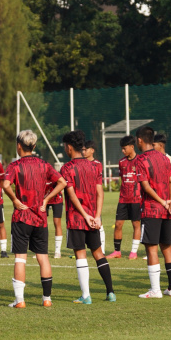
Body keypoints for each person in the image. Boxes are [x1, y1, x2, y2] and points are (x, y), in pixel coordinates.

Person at [2, 130, 67, 307]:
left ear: (18, 146)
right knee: (43, 257)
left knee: (20, 258)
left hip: (22, 217)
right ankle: (47, 299)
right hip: (40, 217)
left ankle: (20, 300)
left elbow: (5, 184)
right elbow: (62, 182)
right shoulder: (44, 165)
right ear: (34, 146)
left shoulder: (15, 166)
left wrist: (15, 200)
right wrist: (46, 199)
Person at [60, 130, 115, 304]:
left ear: (69, 147)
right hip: (93, 217)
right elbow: (100, 192)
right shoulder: (95, 166)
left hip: (77, 218)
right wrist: (96, 216)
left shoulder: (67, 168)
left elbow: (72, 194)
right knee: (98, 253)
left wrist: (84, 215)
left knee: (81, 254)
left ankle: (86, 296)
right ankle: (110, 292)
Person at [135, 127, 171, 298]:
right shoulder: (164, 157)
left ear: (139, 140)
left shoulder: (141, 160)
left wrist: (161, 201)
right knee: (167, 248)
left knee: (151, 249)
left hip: (151, 210)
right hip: (167, 210)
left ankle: (155, 290)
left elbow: (146, 186)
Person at [108, 136, 141, 260]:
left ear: (132, 147)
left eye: (124, 148)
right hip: (123, 198)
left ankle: (133, 252)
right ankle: (117, 251)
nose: (123, 151)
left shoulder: (140, 161)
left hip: (137, 198)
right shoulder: (122, 162)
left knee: (136, 224)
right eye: (121, 149)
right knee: (118, 224)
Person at [154, 133, 171, 256]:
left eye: (153, 144)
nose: (151, 147)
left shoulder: (170, 160)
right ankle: (152, 250)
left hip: (168, 200)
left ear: (160, 145)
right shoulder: (152, 159)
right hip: (156, 200)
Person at [81, 140, 107, 253]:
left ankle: (102, 249)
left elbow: (98, 185)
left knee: (98, 223)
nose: (83, 152)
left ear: (92, 150)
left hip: (93, 199)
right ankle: (81, 248)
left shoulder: (97, 164)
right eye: (82, 150)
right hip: (82, 198)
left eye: (85, 149)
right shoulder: (80, 163)